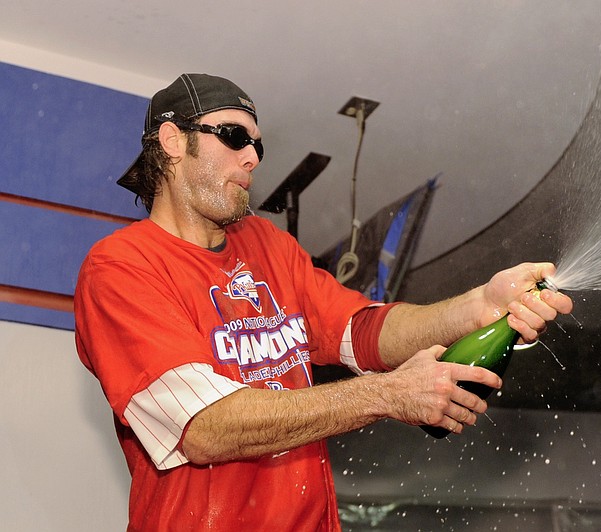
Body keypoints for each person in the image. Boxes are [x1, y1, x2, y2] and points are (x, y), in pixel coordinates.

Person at [74, 73, 573, 531]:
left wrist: (478, 304)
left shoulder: (268, 246)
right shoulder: (119, 268)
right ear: (171, 142)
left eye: (258, 145)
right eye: (232, 136)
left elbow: (362, 333)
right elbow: (205, 427)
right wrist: (387, 395)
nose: (252, 157)